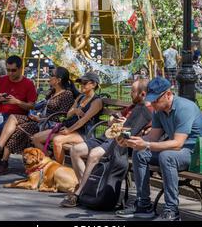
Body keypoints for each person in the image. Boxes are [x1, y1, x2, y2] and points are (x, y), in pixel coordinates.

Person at [116, 76, 202, 221]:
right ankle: (144, 205)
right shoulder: (158, 110)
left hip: (196, 153)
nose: (152, 103)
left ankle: (171, 211)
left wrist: (146, 144)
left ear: (168, 94)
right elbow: (152, 138)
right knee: (139, 152)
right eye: (151, 99)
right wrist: (131, 142)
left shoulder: (184, 108)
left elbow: (177, 144)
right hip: (177, 150)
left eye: (155, 100)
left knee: (167, 156)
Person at [60, 77, 152, 208]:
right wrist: (115, 120)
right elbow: (111, 119)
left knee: (94, 154)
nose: (130, 93)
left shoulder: (147, 110)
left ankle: (79, 193)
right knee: (75, 150)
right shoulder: (133, 105)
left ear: (142, 94)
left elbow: (145, 132)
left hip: (119, 141)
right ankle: (88, 189)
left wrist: (128, 126)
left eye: (132, 91)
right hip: (107, 136)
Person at [0, 66, 79, 175]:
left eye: (51, 75)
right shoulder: (52, 92)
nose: (49, 77)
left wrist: (41, 118)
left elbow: (62, 117)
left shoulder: (67, 95)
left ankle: (3, 160)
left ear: (58, 80)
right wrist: (37, 116)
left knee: (18, 129)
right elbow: (39, 107)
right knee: (13, 118)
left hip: (51, 125)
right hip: (41, 121)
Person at [32, 72, 103, 164]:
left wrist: (69, 130)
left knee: (57, 140)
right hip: (69, 127)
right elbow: (68, 114)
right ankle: (50, 161)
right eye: (80, 83)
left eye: (84, 83)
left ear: (93, 84)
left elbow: (83, 121)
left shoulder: (96, 101)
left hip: (84, 133)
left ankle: (60, 169)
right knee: (36, 138)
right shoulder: (81, 97)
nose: (81, 85)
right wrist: (75, 110)